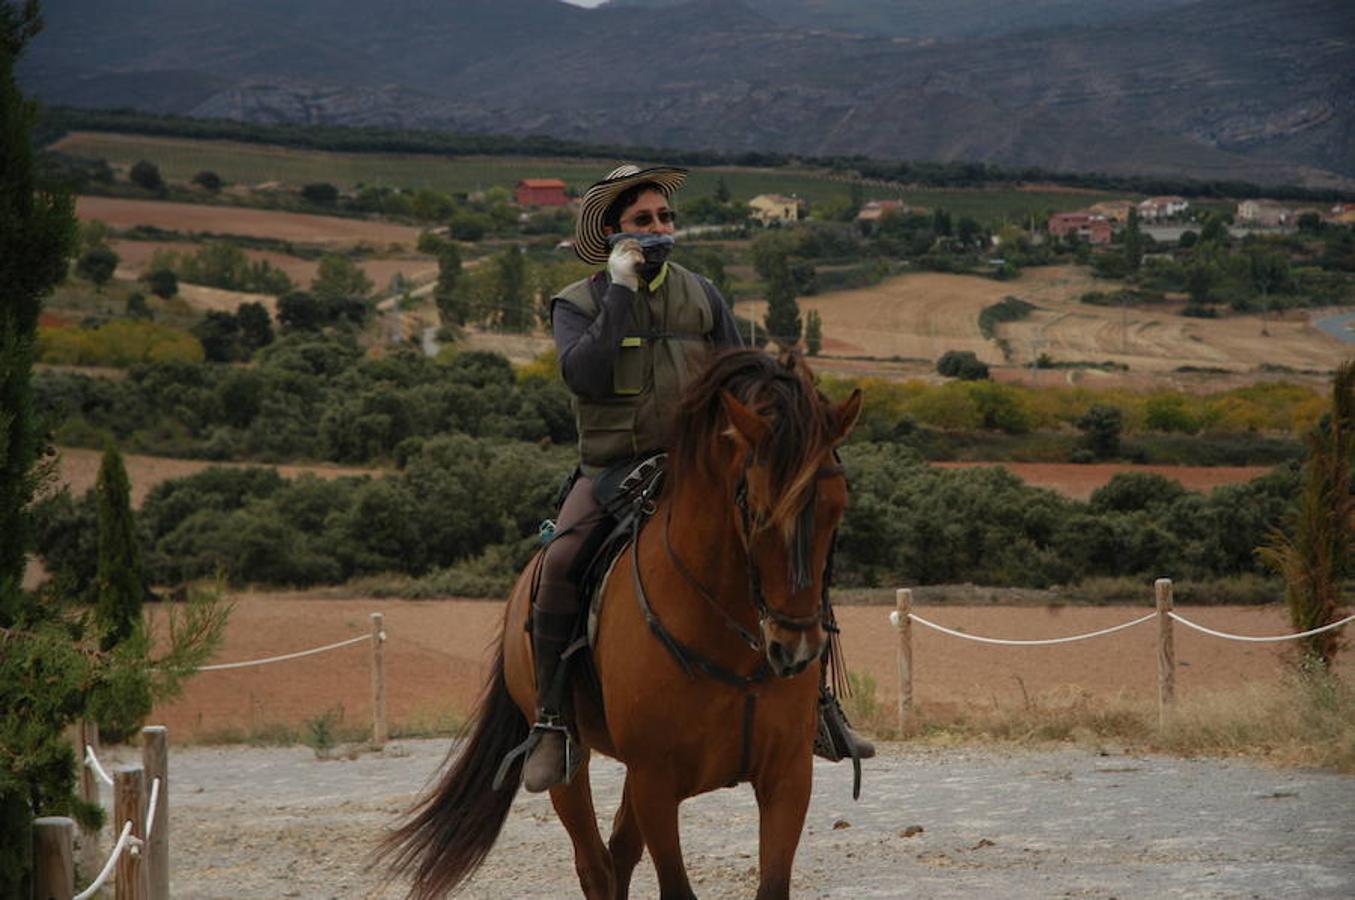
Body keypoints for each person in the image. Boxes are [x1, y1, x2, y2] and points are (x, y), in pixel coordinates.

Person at [517, 163, 873, 793]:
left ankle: (820, 708)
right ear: (612, 232)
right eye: (642, 221)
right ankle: (552, 723)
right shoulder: (576, 304)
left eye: (665, 217)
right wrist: (621, 294)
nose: (659, 229)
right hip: (613, 469)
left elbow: (741, 371)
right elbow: (585, 377)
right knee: (561, 562)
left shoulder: (702, 293)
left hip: (699, 465)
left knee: (789, 545)